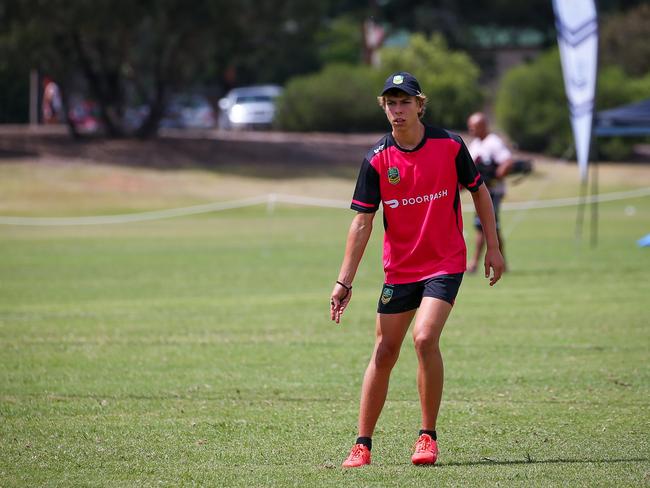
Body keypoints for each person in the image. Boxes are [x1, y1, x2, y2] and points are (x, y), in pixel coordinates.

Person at [330, 72, 504, 468]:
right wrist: (345, 280)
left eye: (405, 102)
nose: (397, 110)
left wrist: (492, 247)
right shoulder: (377, 159)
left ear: (419, 105)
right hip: (400, 270)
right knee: (384, 350)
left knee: (424, 338)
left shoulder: (449, 145)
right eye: (391, 103)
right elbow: (361, 222)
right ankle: (362, 444)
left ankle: (427, 437)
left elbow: (479, 190)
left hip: (444, 262)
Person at [466, 112, 514, 273]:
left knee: (484, 226)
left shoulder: (493, 142)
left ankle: (473, 263)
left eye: (474, 127)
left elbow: (507, 161)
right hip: (480, 192)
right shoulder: (475, 144)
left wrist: (496, 175)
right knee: (491, 227)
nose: (471, 130)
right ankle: (503, 263)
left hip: (492, 191)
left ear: (483, 126)